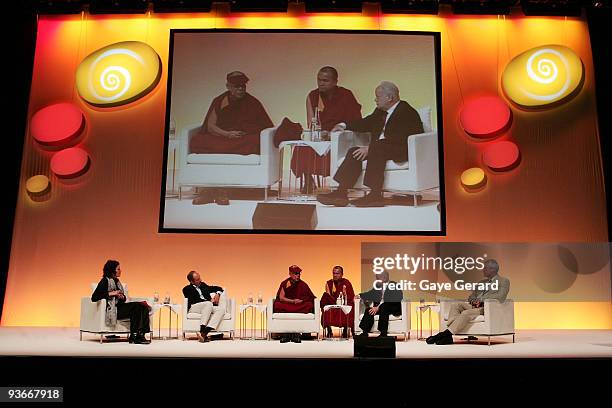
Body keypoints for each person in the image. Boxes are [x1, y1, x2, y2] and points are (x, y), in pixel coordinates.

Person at [317, 81, 424, 207]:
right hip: (383, 148)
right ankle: (341, 193)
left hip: (402, 148)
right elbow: (366, 123)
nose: (375, 100)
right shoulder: (380, 111)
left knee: (376, 149)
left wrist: (371, 148)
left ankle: (375, 195)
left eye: (378, 96)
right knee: (354, 151)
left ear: (389, 98)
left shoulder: (406, 112)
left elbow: (399, 139)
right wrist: (343, 125)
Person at [191, 71, 274, 205]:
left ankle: (214, 192)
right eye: (236, 86)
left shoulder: (252, 102)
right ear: (228, 86)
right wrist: (227, 134)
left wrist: (244, 132)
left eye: (243, 86)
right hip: (224, 137)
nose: (241, 89)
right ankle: (214, 191)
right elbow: (211, 126)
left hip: (241, 139)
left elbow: (265, 126)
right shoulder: (220, 101)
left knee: (254, 141)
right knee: (197, 140)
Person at [292, 66, 362, 194]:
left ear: (335, 82)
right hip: (321, 136)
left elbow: (356, 120)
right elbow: (311, 122)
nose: (321, 83)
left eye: (325, 80)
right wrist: (319, 133)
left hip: (340, 137)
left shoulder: (346, 95)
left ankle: (338, 185)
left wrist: (336, 130)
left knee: (331, 148)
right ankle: (308, 180)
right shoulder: (313, 96)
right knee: (301, 148)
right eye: (319, 80)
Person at [426, 259, 510, 345]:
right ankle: (448, 336)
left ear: (493, 269)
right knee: (455, 305)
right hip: (474, 306)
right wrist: (473, 300)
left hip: (486, 309)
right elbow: (472, 296)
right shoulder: (481, 282)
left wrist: (481, 299)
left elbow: (501, 297)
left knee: (466, 313)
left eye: (485, 268)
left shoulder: (504, 281)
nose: (483, 270)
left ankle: (444, 334)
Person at [91, 260, 151, 344]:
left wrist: (122, 297)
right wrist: (111, 293)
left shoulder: (117, 282)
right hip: (112, 310)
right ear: (112, 270)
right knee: (137, 306)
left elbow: (123, 299)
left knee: (142, 306)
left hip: (120, 307)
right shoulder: (105, 281)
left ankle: (140, 335)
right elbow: (94, 297)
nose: (120, 271)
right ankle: (134, 336)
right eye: (118, 269)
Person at [273, 265, 316, 343]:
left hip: (298, 305)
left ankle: (293, 334)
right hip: (289, 304)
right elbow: (281, 298)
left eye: (299, 273)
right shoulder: (285, 283)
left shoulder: (303, 284)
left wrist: (301, 301)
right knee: (277, 305)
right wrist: (293, 301)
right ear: (290, 274)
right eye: (296, 273)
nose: (298, 275)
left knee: (309, 304)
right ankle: (288, 333)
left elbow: (311, 297)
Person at [182, 270, 227, 342]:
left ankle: (204, 333)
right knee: (208, 304)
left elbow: (218, 288)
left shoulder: (203, 285)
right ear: (191, 282)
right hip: (194, 307)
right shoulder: (186, 289)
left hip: (207, 306)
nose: (200, 280)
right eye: (197, 279)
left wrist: (217, 294)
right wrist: (209, 301)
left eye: (200, 278)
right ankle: (202, 329)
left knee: (221, 309)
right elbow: (194, 300)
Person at [355, 271, 402, 337]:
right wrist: (359, 295)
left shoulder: (394, 285)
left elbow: (396, 298)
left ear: (385, 277)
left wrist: (378, 307)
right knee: (369, 310)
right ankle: (365, 332)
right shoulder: (378, 286)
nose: (377, 280)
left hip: (392, 307)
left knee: (384, 307)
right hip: (381, 308)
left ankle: (383, 333)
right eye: (377, 278)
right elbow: (370, 293)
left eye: (378, 278)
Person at [320, 265, 355, 339]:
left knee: (348, 309)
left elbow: (351, 296)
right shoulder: (329, 283)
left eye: (337, 273)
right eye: (334, 273)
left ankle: (345, 330)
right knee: (326, 307)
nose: (335, 275)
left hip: (344, 303)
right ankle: (329, 330)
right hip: (332, 304)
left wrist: (345, 295)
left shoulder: (346, 282)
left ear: (342, 274)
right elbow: (328, 297)